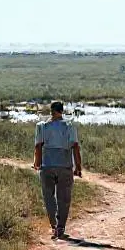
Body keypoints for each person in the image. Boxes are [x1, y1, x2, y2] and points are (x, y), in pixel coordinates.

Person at [33, 101, 82, 240]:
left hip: (47, 165)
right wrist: (78, 167)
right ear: (62, 111)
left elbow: (38, 146)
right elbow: (76, 147)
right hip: (65, 166)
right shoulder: (69, 126)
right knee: (64, 198)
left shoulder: (42, 126)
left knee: (49, 196)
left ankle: (54, 225)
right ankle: (60, 227)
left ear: (51, 111)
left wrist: (37, 163)